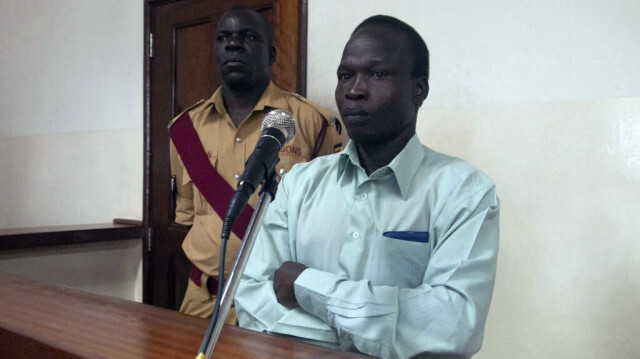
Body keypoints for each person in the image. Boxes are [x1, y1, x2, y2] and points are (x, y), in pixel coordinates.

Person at [234, 15, 499, 358]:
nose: (354, 90)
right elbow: (252, 297)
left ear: (419, 89)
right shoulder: (299, 183)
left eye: (378, 74)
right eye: (346, 75)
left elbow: (452, 323)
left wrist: (305, 286)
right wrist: (360, 336)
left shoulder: (464, 191)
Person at [169, 6, 342, 320]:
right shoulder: (184, 129)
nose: (233, 44)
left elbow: (331, 220)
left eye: (248, 37)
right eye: (224, 38)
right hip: (202, 301)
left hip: (278, 305)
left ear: (272, 54)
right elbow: (187, 218)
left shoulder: (311, 122)